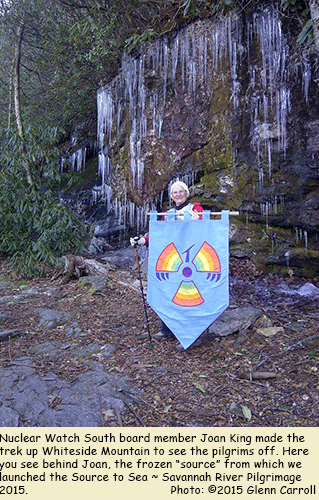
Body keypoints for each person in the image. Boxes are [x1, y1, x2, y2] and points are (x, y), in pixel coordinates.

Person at [130, 181, 204, 348]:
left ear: (186, 193)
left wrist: (199, 221)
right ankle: (167, 329)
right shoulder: (167, 214)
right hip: (173, 259)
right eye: (175, 192)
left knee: (189, 296)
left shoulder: (196, 209)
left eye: (181, 191)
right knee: (169, 293)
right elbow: (161, 236)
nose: (178, 195)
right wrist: (143, 241)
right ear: (171, 196)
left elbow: (206, 229)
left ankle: (192, 334)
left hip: (191, 259)